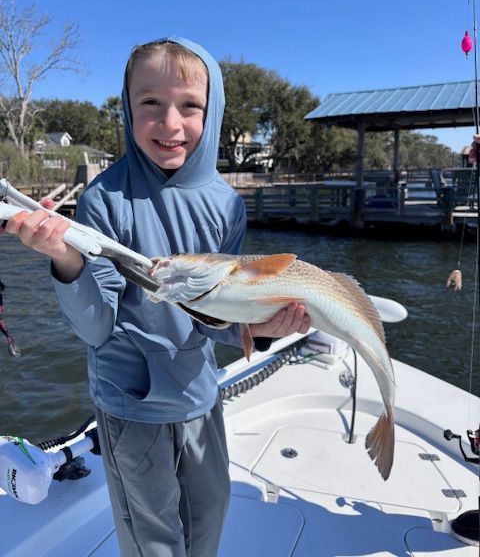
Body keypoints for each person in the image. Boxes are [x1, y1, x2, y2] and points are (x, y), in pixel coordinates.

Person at [6, 37, 311, 557]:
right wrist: (66, 259)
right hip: (132, 406)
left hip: (200, 395)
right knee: (155, 539)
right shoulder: (104, 198)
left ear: (211, 111)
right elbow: (95, 327)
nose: (171, 123)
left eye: (189, 104)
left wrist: (257, 326)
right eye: (150, 103)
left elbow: (213, 315)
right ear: (127, 109)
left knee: (209, 514)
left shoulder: (226, 205)